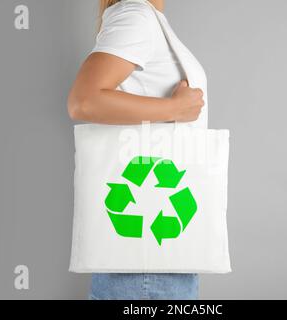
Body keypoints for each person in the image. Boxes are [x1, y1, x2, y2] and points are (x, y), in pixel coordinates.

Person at [67, 0, 207, 300]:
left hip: (156, 255)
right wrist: (175, 108)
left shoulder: (148, 19)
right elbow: (84, 101)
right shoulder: (136, 16)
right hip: (146, 266)